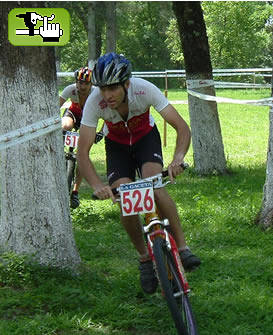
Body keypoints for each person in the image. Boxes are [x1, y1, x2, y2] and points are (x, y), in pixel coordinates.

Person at [77, 53, 201, 294]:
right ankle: (145, 258)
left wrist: (178, 158)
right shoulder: (95, 102)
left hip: (146, 139)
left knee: (154, 185)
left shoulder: (145, 89)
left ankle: (183, 248)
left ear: (126, 84)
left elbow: (181, 127)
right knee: (126, 200)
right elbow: (83, 152)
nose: (107, 95)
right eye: (103, 89)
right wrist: (96, 185)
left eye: (113, 88)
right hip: (117, 146)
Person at [60, 67, 97, 209]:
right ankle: (60, 152)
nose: (82, 86)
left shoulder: (96, 93)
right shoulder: (70, 89)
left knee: (83, 155)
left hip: (88, 119)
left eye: (85, 84)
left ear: (91, 84)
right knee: (66, 126)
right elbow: (55, 105)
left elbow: (107, 115)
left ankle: (75, 190)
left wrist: (100, 132)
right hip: (73, 114)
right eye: (79, 83)